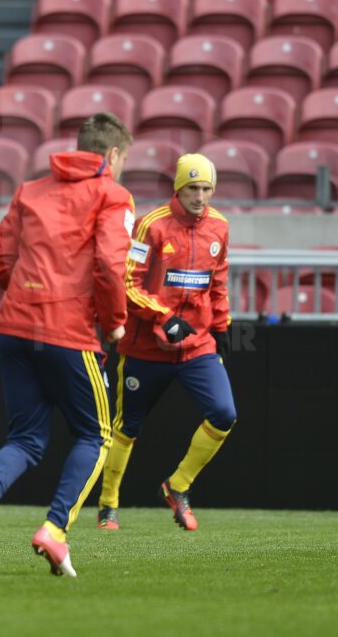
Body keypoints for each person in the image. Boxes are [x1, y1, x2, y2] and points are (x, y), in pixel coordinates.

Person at [0, 112, 135, 578]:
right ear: (113, 155)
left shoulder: (30, 190)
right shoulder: (112, 194)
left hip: (14, 328)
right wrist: (115, 323)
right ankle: (55, 529)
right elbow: (111, 267)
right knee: (97, 435)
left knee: (25, 438)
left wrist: (23, 298)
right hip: (69, 331)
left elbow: (0, 258)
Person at [96, 153, 234, 532]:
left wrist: (222, 328)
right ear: (178, 188)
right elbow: (128, 283)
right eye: (193, 188)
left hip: (197, 343)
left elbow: (218, 283)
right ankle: (108, 506)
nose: (201, 196)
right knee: (128, 426)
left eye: (207, 188)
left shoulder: (220, 228)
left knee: (224, 414)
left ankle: (178, 486)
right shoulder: (150, 226)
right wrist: (164, 317)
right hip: (146, 347)